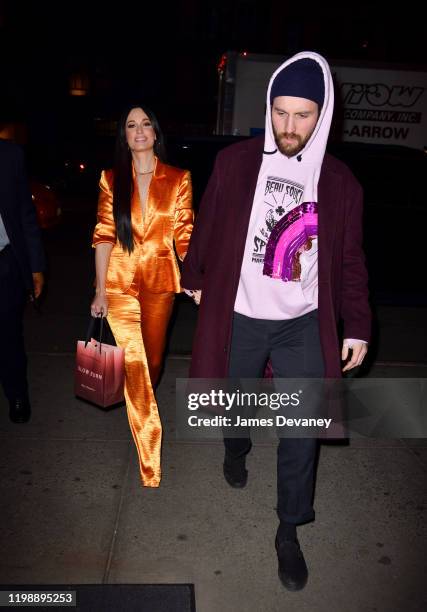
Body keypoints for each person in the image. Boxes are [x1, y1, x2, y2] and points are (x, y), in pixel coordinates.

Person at [182, 51, 370, 590]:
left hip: (303, 325)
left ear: (322, 114)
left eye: (303, 114)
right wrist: (194, 274)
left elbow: (351, 261)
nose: (290, 127)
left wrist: (356, 324)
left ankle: (289, 530)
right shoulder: (237, 163)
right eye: (281, 112)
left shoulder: (340, 183)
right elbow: (209, 223)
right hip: (241, 313)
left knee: (300, 432)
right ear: (269, 109)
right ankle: (236, 445)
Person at [91, 104, 193, 488]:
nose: (138, 131)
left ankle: (139, 394)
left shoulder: (179, 178)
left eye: (145, 124)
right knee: (135, 363)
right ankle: (150, 464)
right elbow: (103, 235)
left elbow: (184, 233)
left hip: (161, 282)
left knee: (152, 362)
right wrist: (100, 290)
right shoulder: (110, 178)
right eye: (131, 125)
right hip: (119, 282)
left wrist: (196, 277)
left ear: (155, 133)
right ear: (124, 135)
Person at [0, 137, 45, 423]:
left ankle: (17, 395)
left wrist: (36, 266)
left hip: (5, 262)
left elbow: (25, 215)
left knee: (8, 335)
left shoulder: (10, 154)